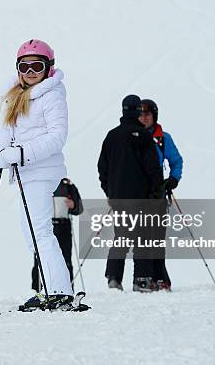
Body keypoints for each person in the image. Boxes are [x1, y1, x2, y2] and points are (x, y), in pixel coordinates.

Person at [0, 39, 74, 309]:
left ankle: (60, 291)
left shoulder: (52, 96)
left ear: (48, 68)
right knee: (32, 235)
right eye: (23, 66)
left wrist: (20, 153)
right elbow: (6, 133)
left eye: (36, 66)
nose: (30, 72)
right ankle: (48, 289)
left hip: (42, 171)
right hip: (25, 174)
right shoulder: (15, 97)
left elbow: (57, 137)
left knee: (40, 233)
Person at [98, 94, 164, 292]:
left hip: (118, 198)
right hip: (141, 197)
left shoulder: (112, 135)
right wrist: (155, 192)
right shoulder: (143, 135)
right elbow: (153, 168)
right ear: (136, 111)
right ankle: (141, 280)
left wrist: (109, 191)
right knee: (142, 237)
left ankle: (114, 278)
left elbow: (103, 168)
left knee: (122, 237)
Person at [139, 99, 183, 291]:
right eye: (140, 114)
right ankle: (146, 277)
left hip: (157, 194)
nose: (144, 118)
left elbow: (176, 161)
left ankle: (160, 277)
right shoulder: (133, 136)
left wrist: (173, 179)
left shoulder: (163, 138)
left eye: (147, 114)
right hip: (137, 193)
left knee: (156, 237)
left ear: (154, 116)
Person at [31, 177, 83, 292]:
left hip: (63, 226)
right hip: (45, 225)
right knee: (40, 259)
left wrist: (73, 205)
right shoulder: (41, 183)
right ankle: (36, 291)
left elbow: (79, 208)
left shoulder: (68, 186)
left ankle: (68, 291)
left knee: (65, 260)